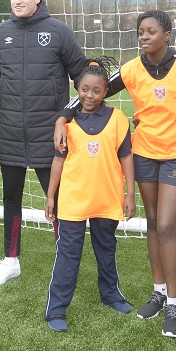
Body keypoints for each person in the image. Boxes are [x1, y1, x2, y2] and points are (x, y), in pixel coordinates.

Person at [55, 10, 176, 337]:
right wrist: (62, 118)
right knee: (152, 224)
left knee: (165, 225)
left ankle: (174, 304)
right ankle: (158, 293)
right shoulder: (132, 69)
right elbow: (94, 89)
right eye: (140, 32)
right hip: (144, 153)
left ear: (168, 35)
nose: (144, 37)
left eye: (151, 31)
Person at [0, 0, 86, 287]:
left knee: (59, 200)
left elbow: (84, 80)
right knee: (10, 198)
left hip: (49, 136)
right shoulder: (0, 34)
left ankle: (65, 262)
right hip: (11, 132)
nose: (18, 1)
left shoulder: (58, 32)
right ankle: (10, 261)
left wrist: (66, 117)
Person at [43, 57, 135, 333]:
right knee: (68, 255)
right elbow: (58, 161)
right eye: (84, 89)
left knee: (106, 250)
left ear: (106, 91)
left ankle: (111, 295)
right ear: (77, 88)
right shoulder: (67, 123)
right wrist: (50, 197)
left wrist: (130, 193)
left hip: (107, 199)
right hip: (72, 201)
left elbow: (126, 157)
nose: (90, 95)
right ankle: (56, 309)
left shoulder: (118, 119)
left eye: (96, 90)